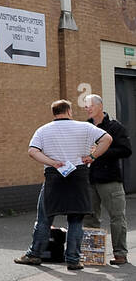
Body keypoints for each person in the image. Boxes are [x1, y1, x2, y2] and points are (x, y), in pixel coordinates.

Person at [14, 100, 112, 271]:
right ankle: (73, 260)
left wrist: (52, 162)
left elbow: (32, 151)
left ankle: (34, 254)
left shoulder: (43, 130)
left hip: (54, 178)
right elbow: (107, 139)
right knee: (75, 220)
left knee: (44, 218)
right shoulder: (85, 127)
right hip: (78, 177)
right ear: (69, 111)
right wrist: (92, 157)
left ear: (54, 113)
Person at [82, 94, 130, 266]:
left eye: (89, 105)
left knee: (117, 217)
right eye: (85, 106)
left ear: (100, 106)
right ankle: (93, 256)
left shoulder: (115, 127)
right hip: (89, 179)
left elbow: (126, 150)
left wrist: (99, 152)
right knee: (89, 218)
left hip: (110, 179)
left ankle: (120, 254)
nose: (86, 108)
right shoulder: (85, 128)